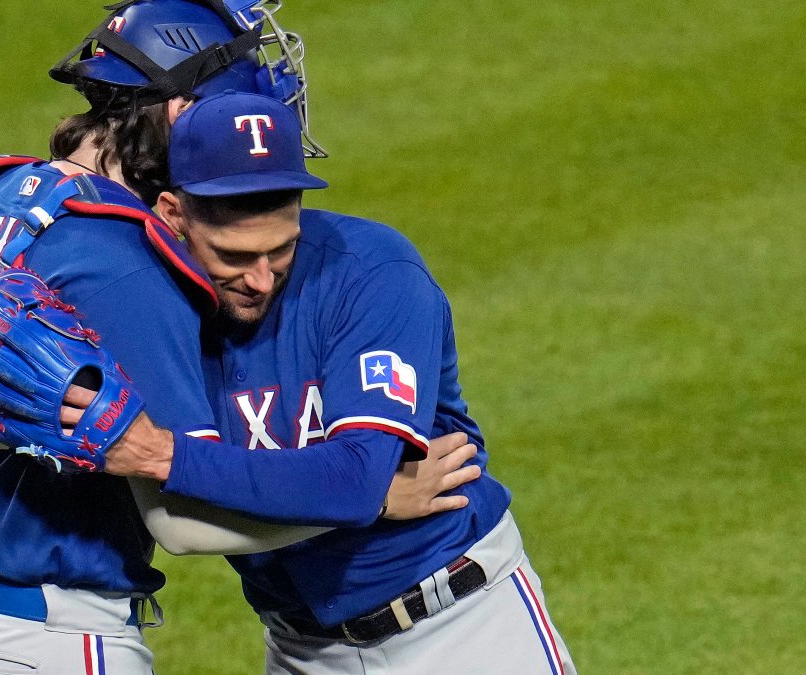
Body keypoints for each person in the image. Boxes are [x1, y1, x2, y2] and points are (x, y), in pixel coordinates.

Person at [0, 2, 476, 673]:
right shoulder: (124, 256)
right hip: (57, 641)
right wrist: (373, 499)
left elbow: (7, 433)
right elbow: (179, 522)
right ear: (182, 112)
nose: (267, 93)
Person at [51, 91, 578, 673]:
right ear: (173, 215)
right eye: (234, 255)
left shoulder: (372, 273)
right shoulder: (144, 306)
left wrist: (165, 456)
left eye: (281, 250)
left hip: (460, 627)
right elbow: (183, 523)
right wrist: (374, 499)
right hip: (302, 648)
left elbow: (354, 478)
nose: (260, 278)